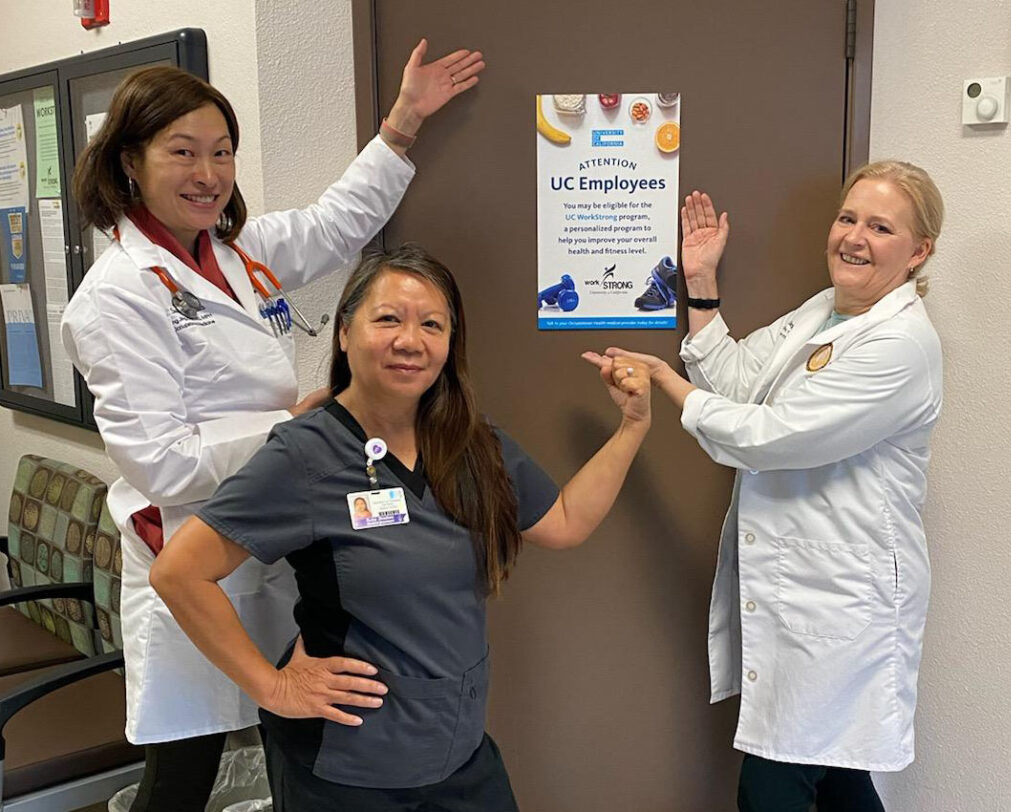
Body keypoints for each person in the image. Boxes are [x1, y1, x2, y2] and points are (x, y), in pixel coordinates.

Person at [61, 41, 484, 812]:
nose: (208, 174)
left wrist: (400, 127)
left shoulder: (234, 253)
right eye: (182, 152)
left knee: (287, 729)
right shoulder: (115, 297)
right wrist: (295, 429)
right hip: (189, 546)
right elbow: (162, 464)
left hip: (270, 536)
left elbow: (335, 224)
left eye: (221, 153)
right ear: (129, 162)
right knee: (185, 773)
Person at [150, 244, 651, 810]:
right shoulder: (304, 454)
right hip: (350, 768)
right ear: (344, 332)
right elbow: (180, 573)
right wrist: (272, 687)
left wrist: (632, 426)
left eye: (431, 325)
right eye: (388, 318)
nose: (410, 340)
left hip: (457, 752)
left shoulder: (470, 442)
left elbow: (562, 522)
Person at [603, 161, 944, 811]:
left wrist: (665, 381)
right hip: (805, 594)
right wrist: (701, 286)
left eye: (880, 226)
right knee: (837, 775)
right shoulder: (826, 312)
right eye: (848, 218)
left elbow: (769, 439)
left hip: (843, 601)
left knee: (775, 783)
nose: (854, 237)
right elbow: (735, 383)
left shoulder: (901, 345)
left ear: (918, 251)